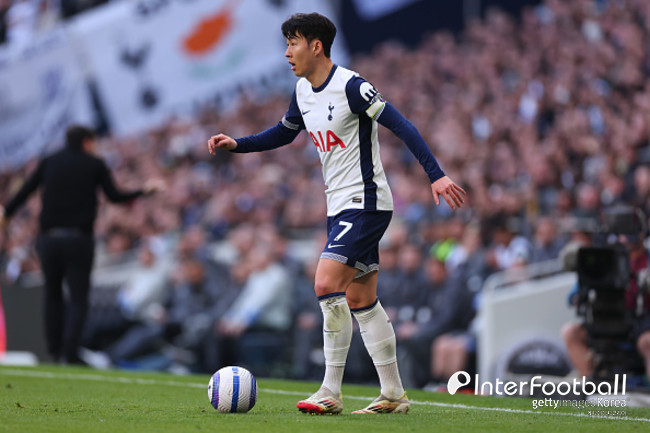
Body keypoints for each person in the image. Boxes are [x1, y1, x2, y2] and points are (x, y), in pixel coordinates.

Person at [207, 12, 466, 415]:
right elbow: (284, 132)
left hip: (365, 202)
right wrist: (238, 144)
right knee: (362, 299)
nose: (287, 52)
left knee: (326, 283)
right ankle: (394, 394)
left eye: (293, 43)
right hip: (339, 206)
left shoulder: (352, 86)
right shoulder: (302, 91)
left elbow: (402, 125)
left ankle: (330, 390)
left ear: (316, 46)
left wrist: (436, 175)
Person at [0, 125, 163, 365]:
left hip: (49, 240)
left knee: (52, 295)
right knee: (78, 297)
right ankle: (71, 351)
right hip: (78, 240)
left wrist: (6, 213)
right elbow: (115, 196)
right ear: (87, 142)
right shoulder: (94, 163)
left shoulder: (49, 161)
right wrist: (144, 191)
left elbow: (25, 190)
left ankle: (54, 351)